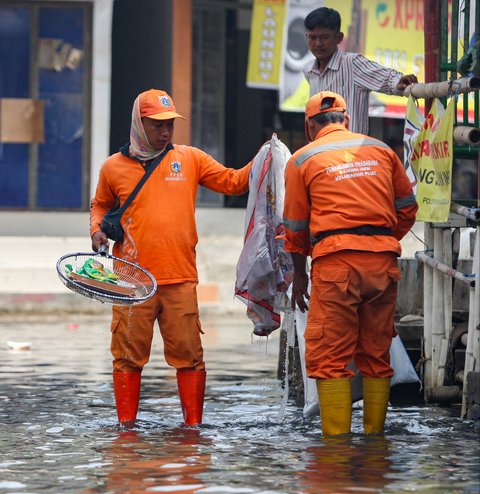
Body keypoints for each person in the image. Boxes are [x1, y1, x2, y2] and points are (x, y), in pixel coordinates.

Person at [90, 89, 252, 427]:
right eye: (157, 125)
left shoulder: (190, 158)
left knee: (190, 358)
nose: (165, 132)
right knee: (127, 359)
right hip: (131, 282)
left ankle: (193, 428)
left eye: (170, 125)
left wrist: (267, 157)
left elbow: (234, 182)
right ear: (139, 123)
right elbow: (101, 205)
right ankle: (126, 430)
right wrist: (97, 231)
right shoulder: (112, 167)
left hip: (180, 279)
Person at [283, 91, 418, 437]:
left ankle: (337, 450)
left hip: (336, 264)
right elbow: (407, 208)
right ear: (346, 119)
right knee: (376, 353)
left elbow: (295, 229)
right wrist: (380, 242)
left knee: (329, 358)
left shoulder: (301, 159)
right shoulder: (381, 150)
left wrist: (299, 275)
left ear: (309, 125)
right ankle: (375, 441)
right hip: (382, 262)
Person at [303, 7, 418, 134]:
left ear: (339, 38)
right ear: (306, 37)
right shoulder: (309, 71)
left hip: (350, 150)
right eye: (312, 38)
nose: (318, 43)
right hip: (320, 150)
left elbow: (386, 77)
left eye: (324, 37)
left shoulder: (352, 64)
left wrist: (398, 81)